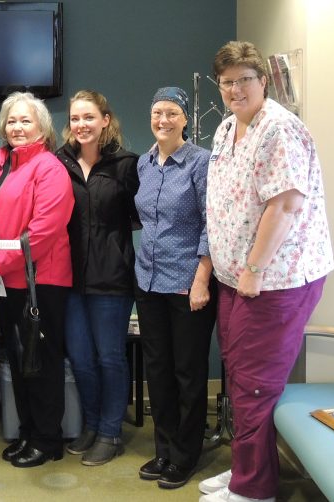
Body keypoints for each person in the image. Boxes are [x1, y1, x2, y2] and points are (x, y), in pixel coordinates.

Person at [199, 41, 334, 502]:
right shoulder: (225, 128)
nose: (236, 89)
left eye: (244, 80)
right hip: (235, 277)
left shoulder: (280, 129)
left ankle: (255, 490)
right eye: (227, 82)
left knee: (255, 382)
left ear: (263, 80)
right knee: (237, 373)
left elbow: (285, 205)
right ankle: (245, 469)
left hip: (273, 279)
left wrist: (254, 269)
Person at [0, 91, 74, 468]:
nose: (17, 127)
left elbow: (41, 232)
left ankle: (48, 439)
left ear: (41, 127)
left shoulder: (49, 168)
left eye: (26, 121)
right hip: (8, 282)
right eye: (12, 121)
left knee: (42, 362)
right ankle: (28, 432)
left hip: (42, 282)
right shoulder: (0, 165)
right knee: (19, 362)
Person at [133, 87, 217, 489]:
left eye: (171, 113)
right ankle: (164, 449)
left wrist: (202, 280)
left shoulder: (201, 162)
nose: (163, 120)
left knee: (187, 372)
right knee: (159, 370)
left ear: (185, 119)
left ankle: (185, 455)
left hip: (187, 285)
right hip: (148, 282)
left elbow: (211, 223)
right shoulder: (145, 164)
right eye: (156, 112)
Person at [53, 90, 139, 466]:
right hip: (69, 278)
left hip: (113, 279)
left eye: (89, 117)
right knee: (81, 358)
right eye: (75, 119)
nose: (81, 125)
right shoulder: (59, 163)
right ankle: (91, 423)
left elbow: (143, 216)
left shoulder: (126, 165)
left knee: (110, 357)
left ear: (105, 120)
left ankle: (110, 431)